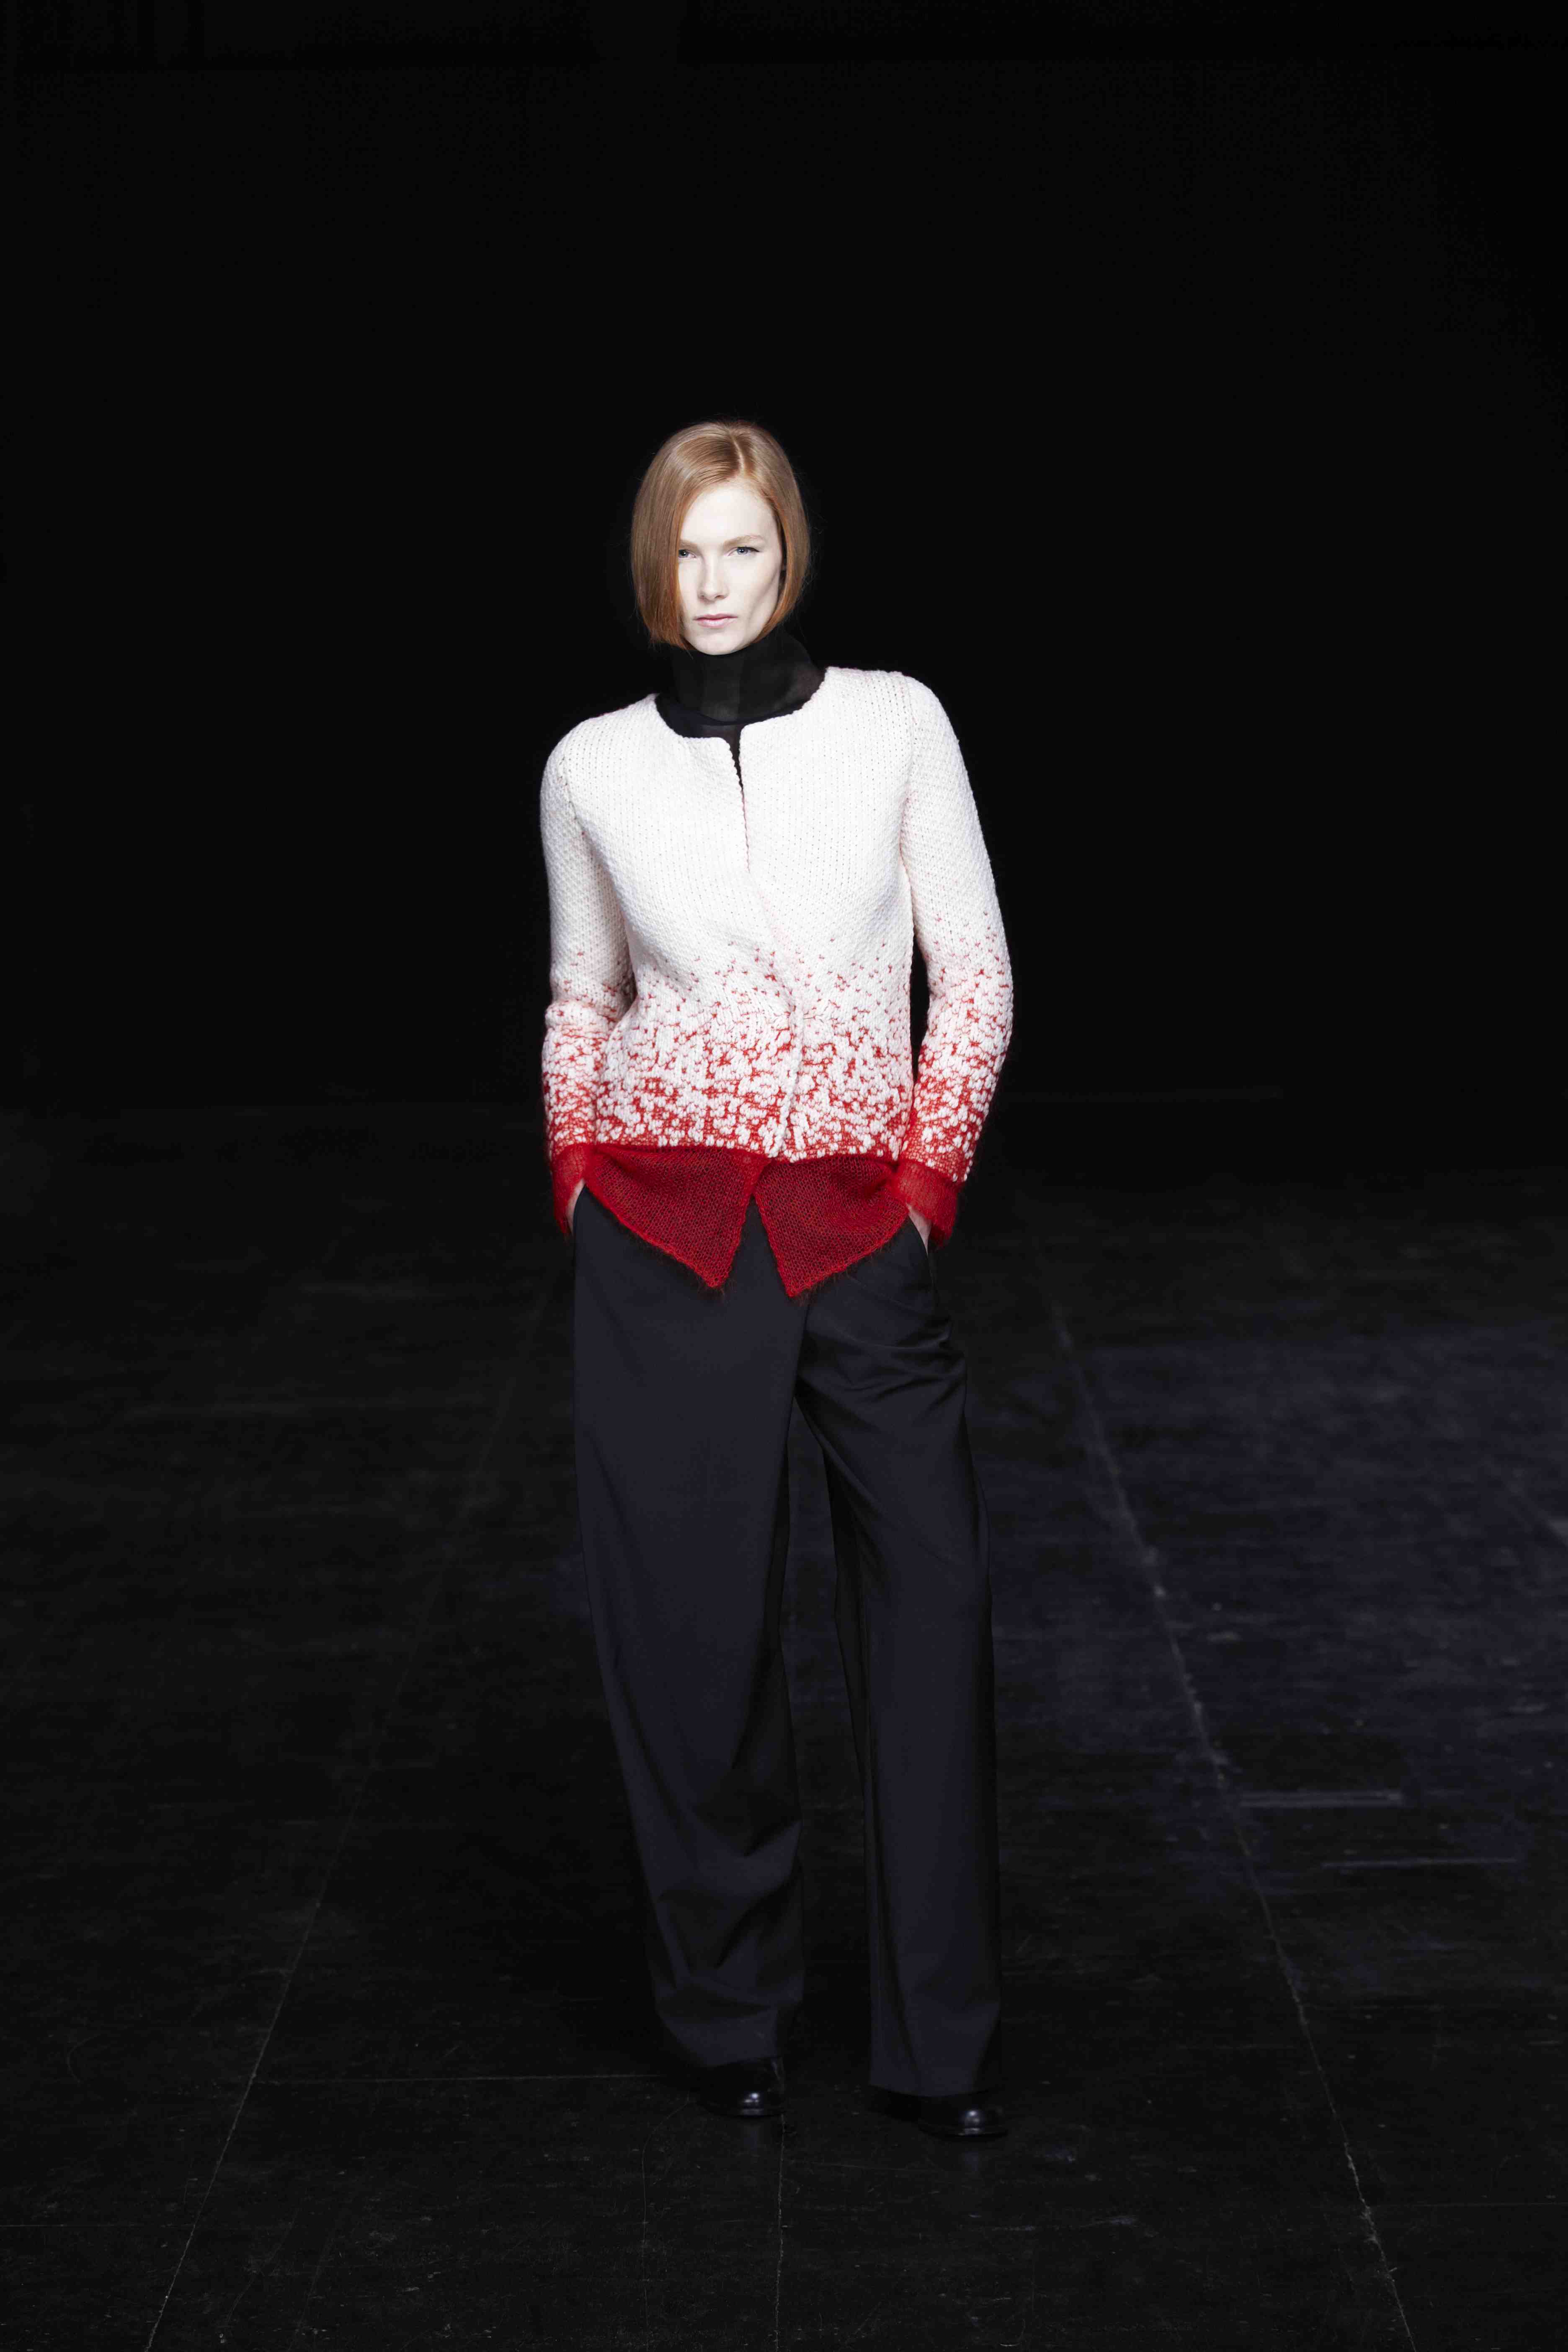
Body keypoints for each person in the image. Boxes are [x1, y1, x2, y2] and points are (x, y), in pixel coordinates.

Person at [539, 419, 1014, 2138]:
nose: (714, 581)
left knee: (934, 1608)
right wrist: (579, 1179)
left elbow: (974, 975)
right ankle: (729, 2010)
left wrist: (925, 1193)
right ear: (650, 569)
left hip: (861, 1229)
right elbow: (583, 996)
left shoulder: (897, 723)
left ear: (788, 552)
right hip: (666, 1235)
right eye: (685, 551)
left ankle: (941, 2038)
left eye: (742, 546)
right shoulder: (591, 766)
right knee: (693, 1641)